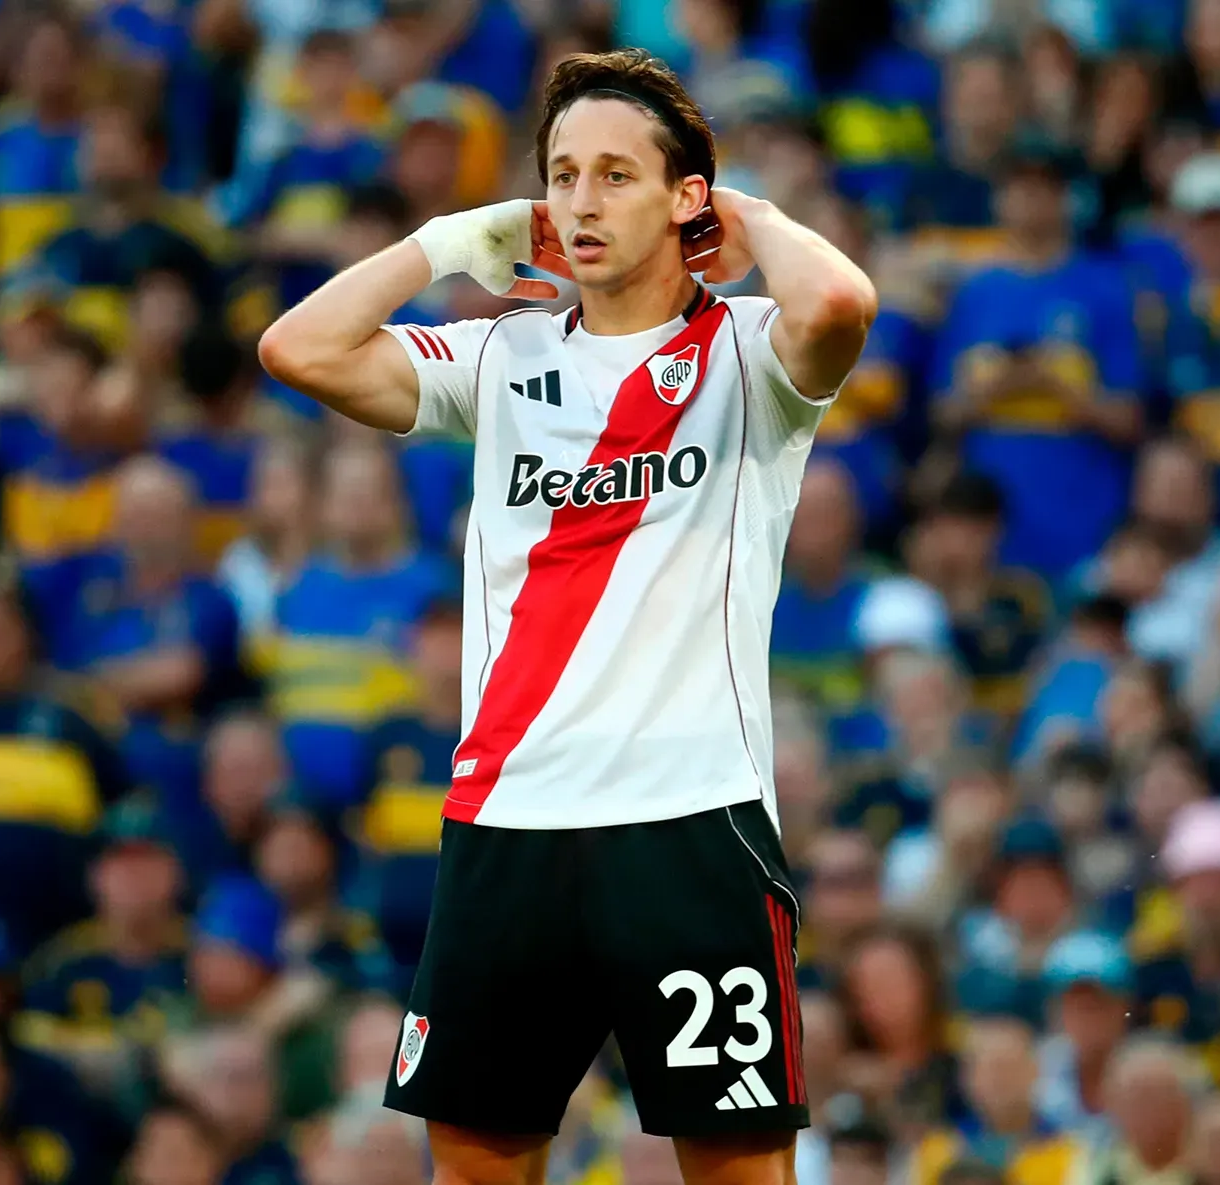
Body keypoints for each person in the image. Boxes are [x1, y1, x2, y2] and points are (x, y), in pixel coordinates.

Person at [258, 45, 876, 1185]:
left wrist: (738, 214)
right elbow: (296, 348)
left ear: (682, 196)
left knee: (737, 1171)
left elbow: (838, 299)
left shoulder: (747, 358)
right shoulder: (499, 356)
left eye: (615, 175)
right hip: (508, 825)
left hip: (690, 822)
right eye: (560, 174)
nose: (579, 203)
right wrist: (443, 244)